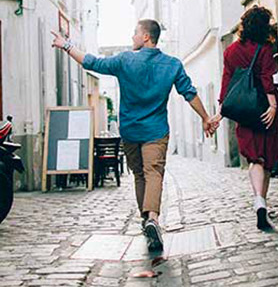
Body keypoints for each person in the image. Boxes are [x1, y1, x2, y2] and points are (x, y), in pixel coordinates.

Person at [51, 19, 217, 251]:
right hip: (156, 130)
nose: (132, 37)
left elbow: (92, 62)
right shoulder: (172, 65)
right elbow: (189, 93)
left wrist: (66, 45)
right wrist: (206, 117)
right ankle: (152, 219)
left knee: (140, 175)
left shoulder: (124, 60)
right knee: (153, 172)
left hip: (130, 130)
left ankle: (146, 220)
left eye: (135, 33)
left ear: (146, 37)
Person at [214, 6, 278, 231]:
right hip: (264, 106)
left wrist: (222, 108)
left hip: (244, 109)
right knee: (267, 156)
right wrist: (272, 104)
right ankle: (262, 202)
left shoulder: (231, 51)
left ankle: (258, 201)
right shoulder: (264, 48)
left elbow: (227, 81)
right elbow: (267, 79)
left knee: (255, 158)